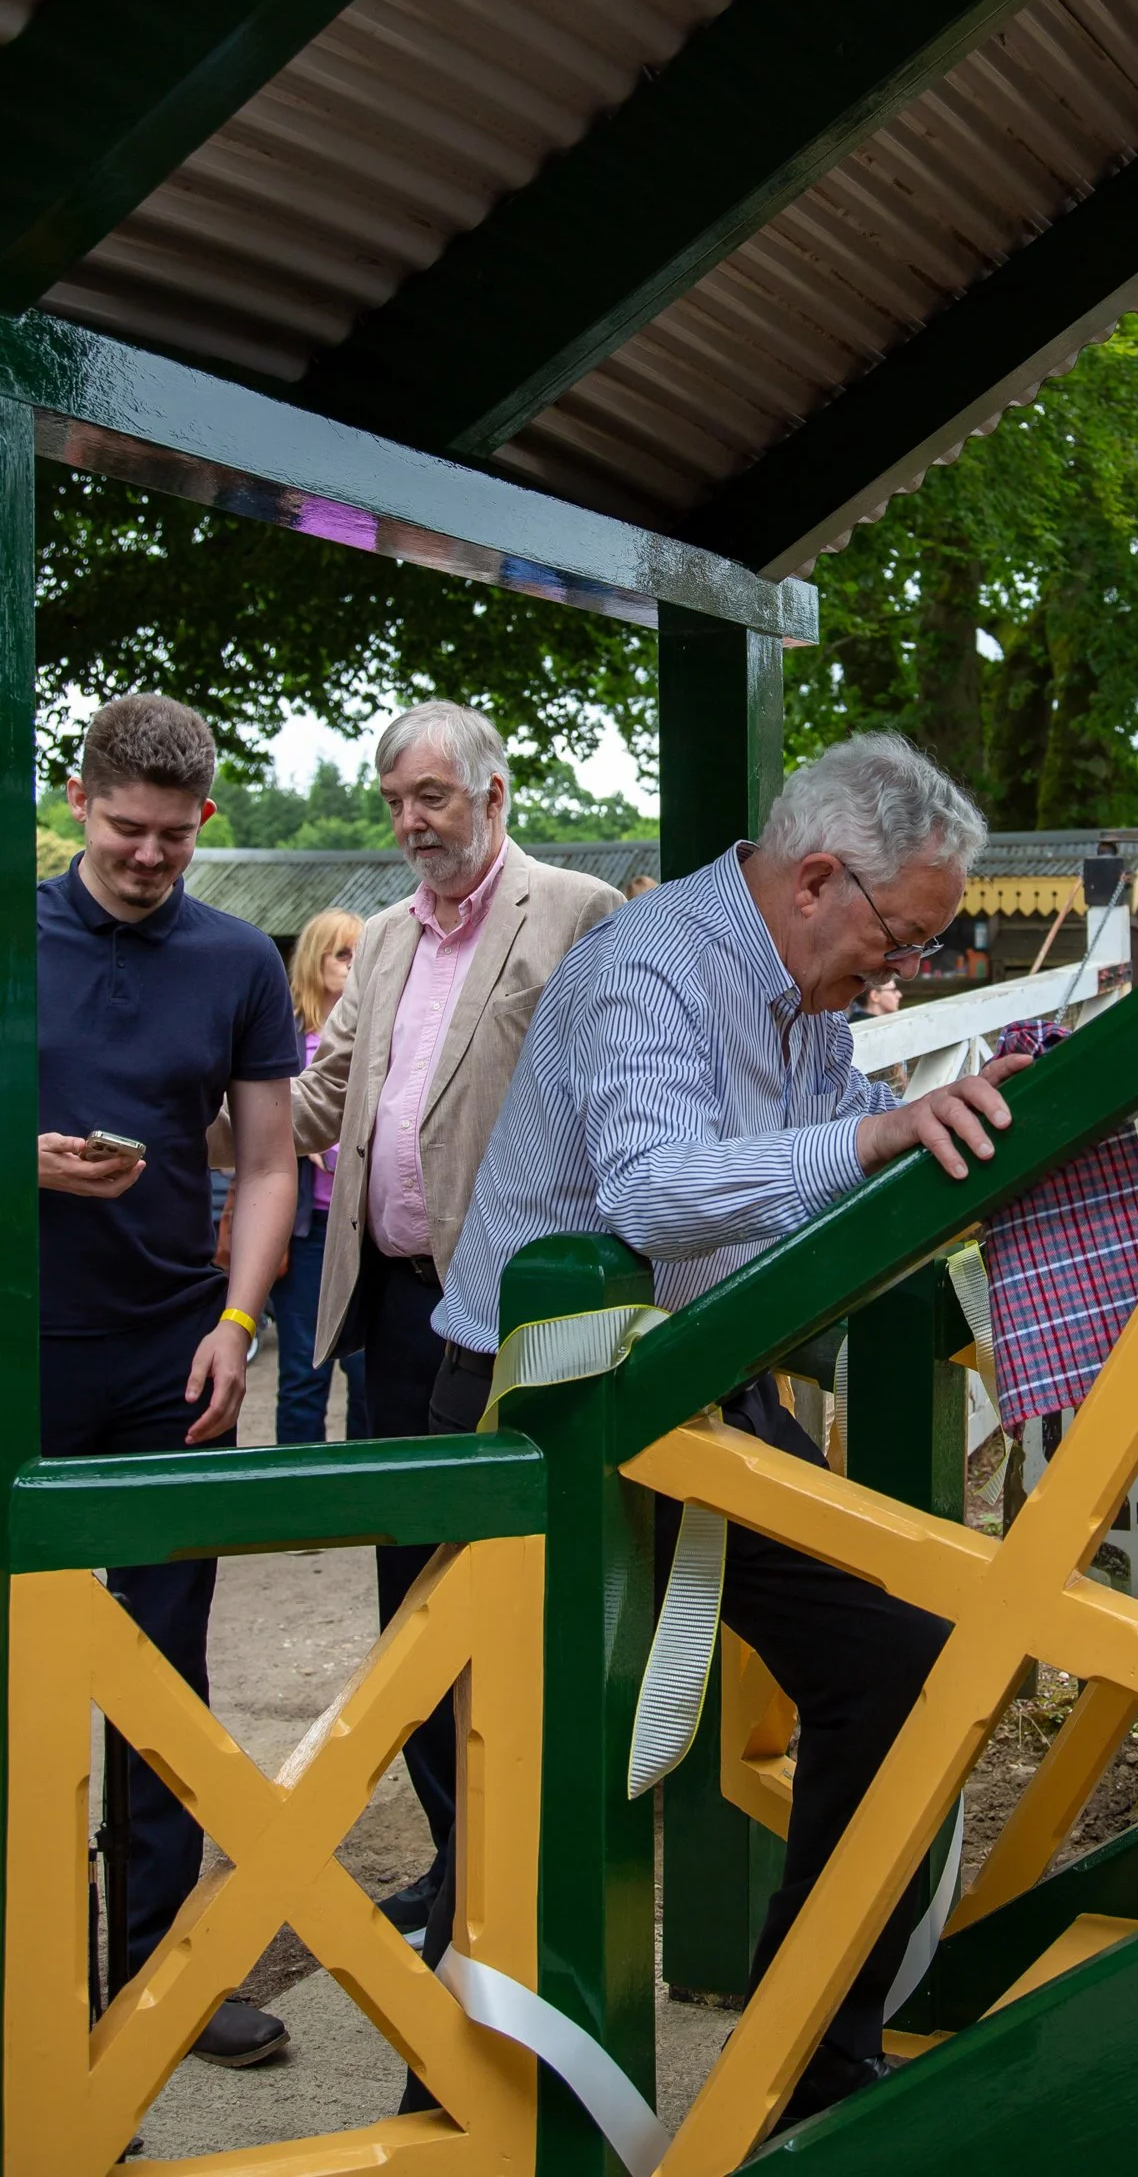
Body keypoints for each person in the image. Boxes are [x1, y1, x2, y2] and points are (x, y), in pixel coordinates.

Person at [432, 733, 1028, 2126]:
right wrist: (881, 1141)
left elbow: (811, 1184)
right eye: (899, 939)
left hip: (689, 1385)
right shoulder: (648, 966)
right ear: (817, 878)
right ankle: (459, 2113)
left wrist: (939, 1153)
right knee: (507, 1783)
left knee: (891, 1659)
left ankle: (809, 2057)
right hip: (536, 1410)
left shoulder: (805, 983)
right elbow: (657, 1197)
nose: (894, 976)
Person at [213, 701, 620, 1932]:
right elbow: (322, 1095)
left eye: (429, 798)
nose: (407, 824)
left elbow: (619, 1102)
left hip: (509, 1317)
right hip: (386, 1311)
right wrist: (190, 1137)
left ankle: (515, 1865)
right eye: (394, 801)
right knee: (408, 1597)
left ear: (493, 795)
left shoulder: (577, 915)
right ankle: (454, 1862)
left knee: (502, 1585)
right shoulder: (382, 937)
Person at [38, 696, 298, 2067]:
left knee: (163, 1673)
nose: (150, 859)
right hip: (23, 1350)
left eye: (177, 840)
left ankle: (150, 1990)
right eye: (130, 832)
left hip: (167, 1355)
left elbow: (266, 1165)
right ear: (80, 801)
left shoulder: (239, 959)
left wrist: (241, 1322)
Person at [269, 909, 367, 1445]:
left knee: (369, 1373)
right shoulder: (282, 1035)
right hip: (307, 1231)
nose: (354, 967)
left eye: (361, 955)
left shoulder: (382, 1030)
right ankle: (296, 1499)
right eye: (342, 955)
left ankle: (363, 1493)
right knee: (303, 1373)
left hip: (365, 1230)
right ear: (315, 962)